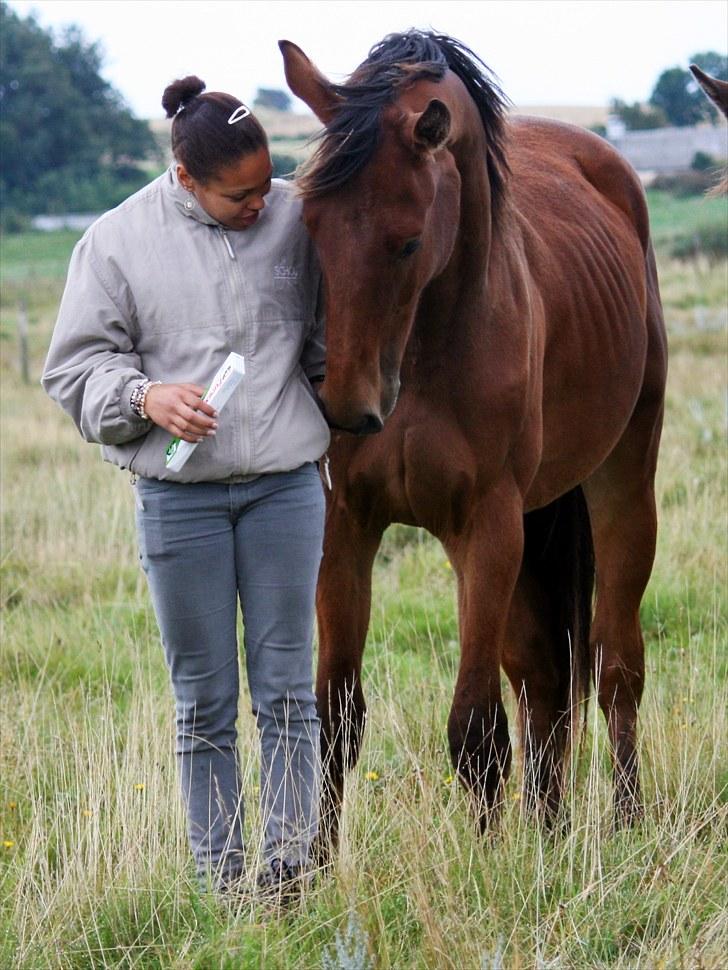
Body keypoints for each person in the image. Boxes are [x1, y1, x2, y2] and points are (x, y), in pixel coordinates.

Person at [42, 76, 330, 897]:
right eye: (238, 194)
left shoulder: (293, 219)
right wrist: (145, 397)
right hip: (181, 503)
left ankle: (289, 872)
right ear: (183, 177)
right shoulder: (115, 242)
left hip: (286, 492)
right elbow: (74, 370)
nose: (259, 204)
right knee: (203, 704)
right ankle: (223, 884)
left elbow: (327, 339)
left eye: (265, 183)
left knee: (286, 694)